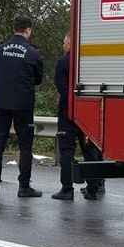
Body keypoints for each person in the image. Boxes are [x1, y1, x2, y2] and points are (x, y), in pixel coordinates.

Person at [0, 15, 44, 198]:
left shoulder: (0, 50)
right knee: (25, 147)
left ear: (14, 29)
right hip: (23, 105)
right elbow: (38, 79)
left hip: (1, 104)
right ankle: (24, 187)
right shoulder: (32, 53)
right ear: (28, 30)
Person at [52, 33, 105, 201]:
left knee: (66, 150)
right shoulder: (89, 62)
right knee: (90, 149)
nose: (62, 45)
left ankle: (67, 189)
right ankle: (93, 189)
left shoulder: (63, 62)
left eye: (63, 42)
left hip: (67, 112)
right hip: (88, 112)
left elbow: (60, 86)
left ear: (69, 44)